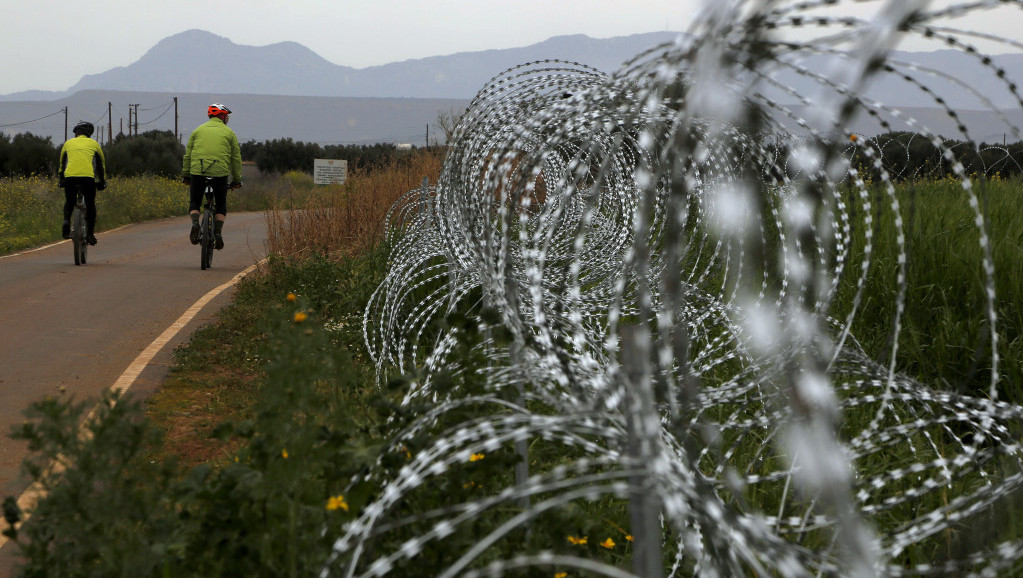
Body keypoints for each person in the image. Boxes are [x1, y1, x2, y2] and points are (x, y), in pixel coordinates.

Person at [182, 103, 242, 249]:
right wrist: (236, 180)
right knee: (220, 204)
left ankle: (195, 223)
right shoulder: (229, 133)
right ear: (221, 116)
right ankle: (218, 233)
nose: (227, 119)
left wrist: (186, 175)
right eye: (226, 116)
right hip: (220, 174)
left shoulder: (197, 131)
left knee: (195, 201)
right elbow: (235, 159)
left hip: (198, 172)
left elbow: (188, 156)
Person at [58, 121, 106, 245]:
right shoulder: (94, 144)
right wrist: (102, 181)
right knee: (90, 205)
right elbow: (101, 165)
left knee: (69, 202)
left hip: (70, 178)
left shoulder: (68, 143)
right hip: (87, 178)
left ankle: (66, 221)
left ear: (76, 134)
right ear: (89, 134)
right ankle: (90, 234)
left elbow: (62, 163)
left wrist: (61, 179)